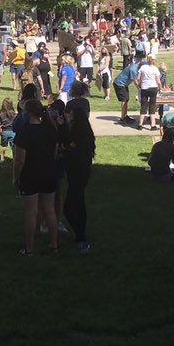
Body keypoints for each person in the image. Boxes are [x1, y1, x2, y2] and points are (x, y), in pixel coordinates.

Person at [11, 97, 61, 255]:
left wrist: (15, 177)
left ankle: (29, 248)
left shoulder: (24, 132)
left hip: (30, 174)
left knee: (31, 211)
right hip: (48, 172)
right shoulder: (50, 129)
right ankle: (54, 245)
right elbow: (55, 152)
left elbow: (19, 160)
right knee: (49, 210)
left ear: (27, 112)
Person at [61, 88, 96, 254]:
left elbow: (73, 152)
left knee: (69, 206)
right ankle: (80, 234)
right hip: (83, 172)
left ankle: (81, 237)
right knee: (79, 203)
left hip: (77, 172)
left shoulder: (77, 135)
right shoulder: (85, 134)